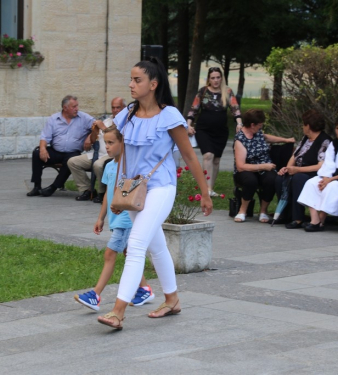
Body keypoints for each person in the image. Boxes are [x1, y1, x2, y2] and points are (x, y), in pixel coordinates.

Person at [96, 58, 213, 331]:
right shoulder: (126, 115)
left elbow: (189, 156)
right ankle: (172, 299)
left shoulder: (169, 116)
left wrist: (204, 193)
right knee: (155, 246)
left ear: (154, 84)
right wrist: (117, 192)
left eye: (137, 80)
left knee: (135, 244)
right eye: (131, 79)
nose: (131, 84)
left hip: (161, 187)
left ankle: (117, 311)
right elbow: (119, 153)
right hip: (134, 192)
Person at [74, 125, 154, 311]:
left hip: (126, 219)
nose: (107, 147)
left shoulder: (130, 166)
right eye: (105, 143)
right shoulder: (109, 166)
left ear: (122, 143)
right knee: (127, 253)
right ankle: (144, 289)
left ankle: (95, 294)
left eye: (111, 143)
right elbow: (108, 193)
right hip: (115, 219)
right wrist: (101, 218)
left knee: (110, 254)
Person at [27, 95, 103, 197]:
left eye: (77, 106)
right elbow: (45, 136)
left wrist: (89, 136)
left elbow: (97, 125)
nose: (77, 109)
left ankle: (53, 187)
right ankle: (37, 187)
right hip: (56, 151)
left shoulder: (83, 117)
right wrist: (42, 148)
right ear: (65, 108)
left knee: (71, 160)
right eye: (74, 107)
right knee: (36, 153)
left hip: (73, 152)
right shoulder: (54, 119)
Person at [186, 67, 243, 197]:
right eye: (213, 78)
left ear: (221, 78)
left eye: (218, 77)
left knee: (216, 159)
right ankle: (206, 189)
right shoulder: (203, 91)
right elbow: (193, 109)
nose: (216, 80)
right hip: (204, 129)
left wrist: (239, 123)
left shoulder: (227, 91)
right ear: (209, 79)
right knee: (208, 155)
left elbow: (235, 109)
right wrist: (188, 125)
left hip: (221, 131)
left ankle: (211, 187)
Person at [233, 109, 295, 223]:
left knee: (272, 179)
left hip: (265, 167)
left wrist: (285, 140)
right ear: (252, 125)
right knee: (250, 180)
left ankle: (263, 211)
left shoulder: (258, 133)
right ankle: (242, 211)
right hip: (247, 169)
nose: (261, 128)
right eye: (260, 125)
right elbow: (240, 166)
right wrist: (262, 166)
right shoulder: (240, 140)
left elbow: (267, 137)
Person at [274, 110, 332, 228]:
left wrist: (297, 170)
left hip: (315, 174)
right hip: (298, 170)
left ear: (308, 126)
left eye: (303, 124)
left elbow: (321, 165)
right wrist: (287, 168)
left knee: (298, 179)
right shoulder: (306, 138)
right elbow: (295, 155)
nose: (302, 127)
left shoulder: (324, 141)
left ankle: (298, 217)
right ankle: (285, 214)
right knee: (280, 178)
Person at [68, 97, 126, 203]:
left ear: (124, 108)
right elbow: (94, 140)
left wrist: (102, 127)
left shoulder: (126, 122)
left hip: (113, 155)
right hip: (98, 153)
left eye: (118, 107)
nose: (115, 110)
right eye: (113, 108)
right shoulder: (108, 120)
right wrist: (94, 131)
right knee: (73, 162)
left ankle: (102, 193)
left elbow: (115, 136)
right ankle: (87, 189)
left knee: (98, 165)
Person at [297, 116, 338, 234]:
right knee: (311, 183)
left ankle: (321, 219)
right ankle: (315, 220)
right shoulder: (335, 143)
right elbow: (328, 163)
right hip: (331, 175)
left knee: (332, 187)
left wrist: (330, 180)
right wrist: (325, 178)